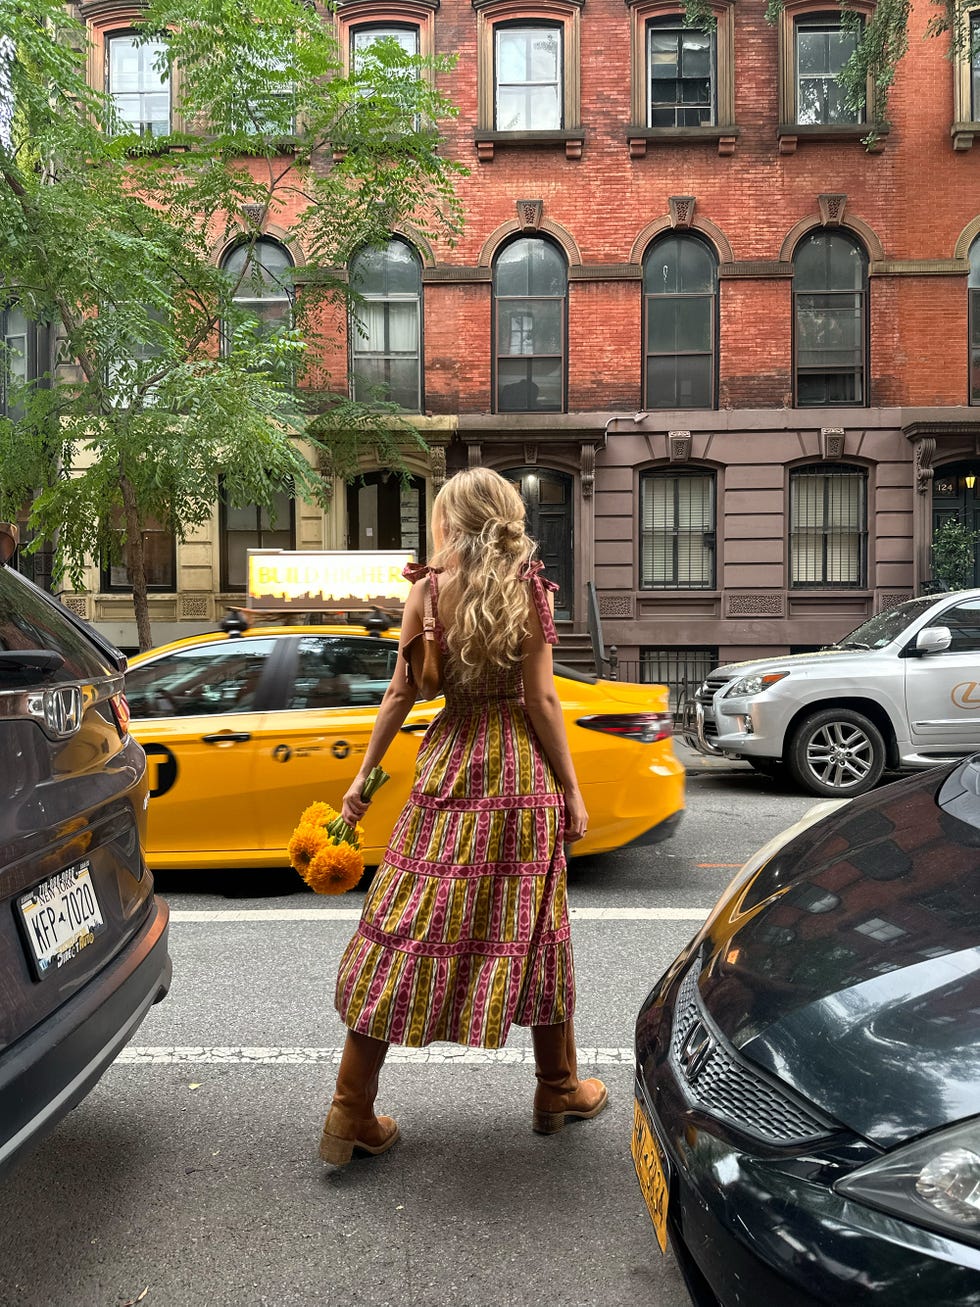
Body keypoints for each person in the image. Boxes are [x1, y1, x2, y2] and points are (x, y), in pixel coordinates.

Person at [319, 467, 606, 1166]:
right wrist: (570, 788)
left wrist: (363, 776)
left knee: (408, 924)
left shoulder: (427, 591)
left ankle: (350, 1107)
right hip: (519, 777)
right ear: (505, 518)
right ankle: (555, 1088)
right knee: (539, 927)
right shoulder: (530, 591)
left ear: (451, 522)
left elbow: (399, 695)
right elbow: (542, 702)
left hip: (450, 767)